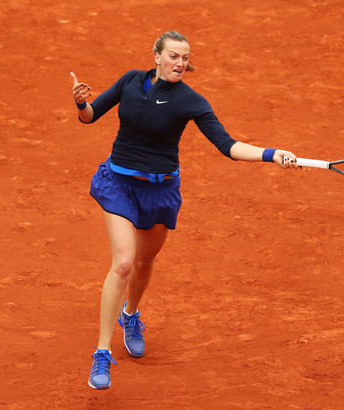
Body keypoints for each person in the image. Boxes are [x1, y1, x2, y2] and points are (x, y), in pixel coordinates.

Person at [70, 30, 299, 390]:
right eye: (174, 56)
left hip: (159, 191)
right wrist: (82, 104)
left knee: (145, 263)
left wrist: (272, 154)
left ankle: (130, 315)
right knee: (125, 262)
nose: (180, 63)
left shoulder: (190, 101)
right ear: (157, 57)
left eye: (185, 58)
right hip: (119, 183)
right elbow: (91, 115)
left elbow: (228, 145)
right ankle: (102, 353)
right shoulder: (131, 81)